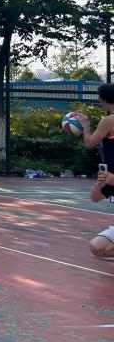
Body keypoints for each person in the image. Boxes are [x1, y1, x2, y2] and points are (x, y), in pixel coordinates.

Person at [72, 88, 114, 259]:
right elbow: (95, 197)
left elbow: (89, 143)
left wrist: (85, 126)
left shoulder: (109, 121)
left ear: (104, 100)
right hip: (110, 176)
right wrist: (99, 184)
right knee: (97, 247)